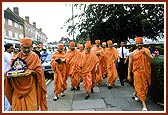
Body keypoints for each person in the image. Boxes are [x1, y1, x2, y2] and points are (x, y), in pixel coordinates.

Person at [4, 38, 48, 111]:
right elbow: (11, 71)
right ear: (20, 47)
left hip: (30, 88)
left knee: (31, 108)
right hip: (17, 89)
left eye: (29, 48)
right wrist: (7, 75)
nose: (27, 50)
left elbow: (40, 72)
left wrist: (31, 72)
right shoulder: (15, 58)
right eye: (24, 48)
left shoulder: (34, 57)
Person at [127, 37, 154, 111]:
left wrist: (145, 54)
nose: (139, 44)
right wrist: (128, 75)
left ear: (143, 43)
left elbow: (151, 60)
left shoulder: (147, 51)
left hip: (145, 72)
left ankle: (135, 94)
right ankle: (144, 105)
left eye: (140, 43)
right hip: (137, 72)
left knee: (145, 87)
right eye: (138, 43)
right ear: (135, 44)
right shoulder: (132, 53)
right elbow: (130, 65)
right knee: (139, 87)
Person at [4, 43, 13, 111]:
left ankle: (9, 106)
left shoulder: (11, 54)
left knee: (10, 90)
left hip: (10, 74)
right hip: (5, 74)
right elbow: (11, 62)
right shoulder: (5, 54)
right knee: (7, 90)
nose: (12, 49)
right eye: (11, 48)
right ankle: (7, 108)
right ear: (7, 49)